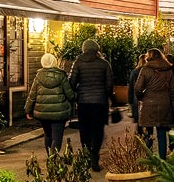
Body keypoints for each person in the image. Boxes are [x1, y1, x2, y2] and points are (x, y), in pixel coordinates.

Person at [69, 38, 113, 171]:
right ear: (97, 49)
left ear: (84, 49)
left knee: (85, 129)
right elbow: (109, 85)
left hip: (83, 101)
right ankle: (95, 156)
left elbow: (71, 82)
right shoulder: (104, 64)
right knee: (98, 130)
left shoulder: (78, 63)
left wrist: (78, 92)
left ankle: (86, 154)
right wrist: (106, 95)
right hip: (100, 102)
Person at [134, 48, 174, 160]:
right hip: (165, 103)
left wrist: (141, 97)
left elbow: (138, 88)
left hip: (148, 103)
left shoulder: (145, 69)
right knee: (162, 133)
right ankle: (162, 160)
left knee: (148, 133)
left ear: (149, 57)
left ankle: (149, 160)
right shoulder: (168, 69)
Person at [25, 52, 75, 151]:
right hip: (59, 113)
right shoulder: (61, 76)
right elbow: (70, 95)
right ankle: (53, 160)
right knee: (57, 137)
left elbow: (32, 95)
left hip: (43, 112)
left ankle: (50, 158)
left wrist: (28, 110)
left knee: (48, 135)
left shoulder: (38, 77)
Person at [127, 53, 147, 138]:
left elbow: (131, 87)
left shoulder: (134, 72)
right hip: (147, 97)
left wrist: (130, 101)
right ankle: (147, 139)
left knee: (139, 121)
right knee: (147, 120)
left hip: (136, 98)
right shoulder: (149, 71)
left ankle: (140, 137)